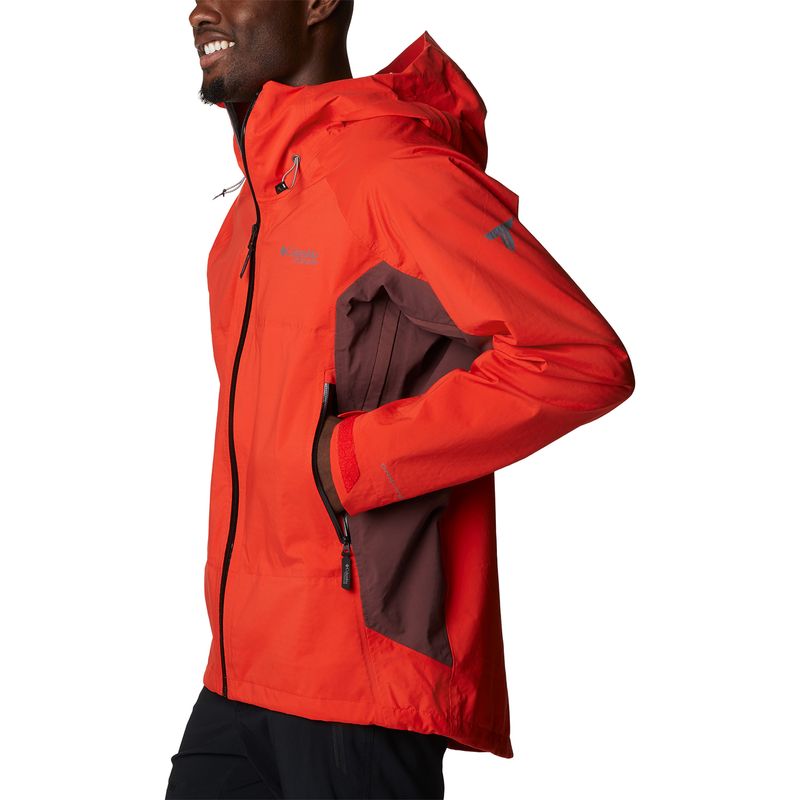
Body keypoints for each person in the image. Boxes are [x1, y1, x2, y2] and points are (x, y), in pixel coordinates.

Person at [166, 1, 636, 797]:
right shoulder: (252, 211)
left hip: (358, 678)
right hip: (240, 670)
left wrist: (352, 459)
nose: (199, 10)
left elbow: (578, 359)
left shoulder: (394, 173)